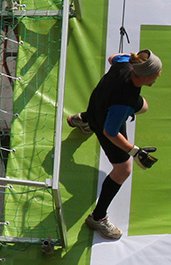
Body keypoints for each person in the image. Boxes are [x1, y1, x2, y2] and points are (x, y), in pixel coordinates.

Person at [67, 49, 162, 239]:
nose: (159, 76)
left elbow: (113, 58)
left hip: (96, 103)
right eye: (157, 74)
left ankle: (84, 119)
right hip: (105, 119)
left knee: (143, 106)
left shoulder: (126, 62)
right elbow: (110, 132)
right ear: (146, 76)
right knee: (123, 169)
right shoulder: (123, 102)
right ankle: (98, 217)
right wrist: (134, 152)